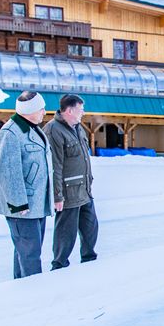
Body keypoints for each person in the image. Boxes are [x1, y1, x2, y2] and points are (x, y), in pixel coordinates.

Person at [0, 91, 54, 279]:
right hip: (23, 208)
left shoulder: (32, 129)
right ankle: (33, 293)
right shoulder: (10, 133)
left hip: (36, 205)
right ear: (30, 110)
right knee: (30, 255)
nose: (45, 112)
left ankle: (21, 287)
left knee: (26, 252)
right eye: (41, 109)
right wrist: (18, 203)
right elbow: (8, 172)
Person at [44, 94, 98, 270]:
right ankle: (59, 266)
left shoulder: (77, 128)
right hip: (68, 194)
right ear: (69, 110)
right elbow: (55, 166)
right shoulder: (54, 130)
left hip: (85, 191)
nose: (83, 112)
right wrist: (57, 196)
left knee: (90, 228)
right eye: (80, 109)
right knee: (65, 234)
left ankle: (89, 262)